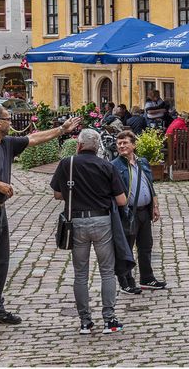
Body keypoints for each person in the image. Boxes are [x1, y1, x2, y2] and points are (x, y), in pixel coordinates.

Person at [0, 107, 83, 333]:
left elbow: (34, 138)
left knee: (1, 262)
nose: (11, 122)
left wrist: (61, 130)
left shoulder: (6, 144)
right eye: (7, 119)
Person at [50, 129, 127, 334]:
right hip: (102, 221)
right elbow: (122, 200)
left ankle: (85, 321)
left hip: (77, 222)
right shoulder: (106, 166)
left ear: (79, 145)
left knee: (81, 274)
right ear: (97, 146)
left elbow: (58, 194)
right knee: (107, 272)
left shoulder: (68, 164)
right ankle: (109, 319)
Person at [112, 131, 166, 296]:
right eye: (119, 143)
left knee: (145, 246)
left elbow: (150, 185)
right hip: (128, 213)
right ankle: (125, 282)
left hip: (145, 211)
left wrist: (155, 206)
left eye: (125, 143)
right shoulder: (115, 165)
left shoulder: (142, 162)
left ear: (133, 145)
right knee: (125, 248)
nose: (121, 146)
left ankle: (147, 278)